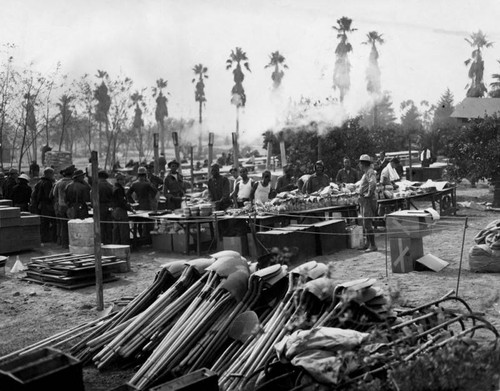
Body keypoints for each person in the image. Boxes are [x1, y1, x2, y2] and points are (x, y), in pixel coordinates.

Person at [126, 166, 159, 243]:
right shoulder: (147, 184)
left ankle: (139, 238)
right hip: (147, 205)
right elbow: (155, 193)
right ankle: (148, 239)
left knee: (138, 224)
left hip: (138, 205)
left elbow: (128, 195)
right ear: (145, 175)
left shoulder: (134, 184)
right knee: (149, 224)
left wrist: (133, 203)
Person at [357, 154, 378, 252]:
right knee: (365, 223)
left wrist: (369, 193)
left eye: (360, 163)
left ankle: (373, 245)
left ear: (363, 164)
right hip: (364, 200)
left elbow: (373, 183)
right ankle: (367, 243)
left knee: (367, 223)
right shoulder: (366, 173)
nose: (359, 166)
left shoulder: (370, 172)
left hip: (368, 200)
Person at [51, 166, 74, 248]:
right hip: (70, 207)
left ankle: (63, 243)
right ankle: (71, 243)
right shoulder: (72, 183)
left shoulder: (59, 183)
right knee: (72, 225)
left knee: (63, 225)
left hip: (61, 206)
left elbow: (54, 194)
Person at [33, 167, 56, 243]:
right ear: (48, 174)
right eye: (52, 173)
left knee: (43, 222)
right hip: (47, 205)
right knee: (50, 222)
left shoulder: (39, 182)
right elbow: (48, 196)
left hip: (41, 205)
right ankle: (48, 238)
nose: (53, 175)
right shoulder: (47, 183)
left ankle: (44, 238)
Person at [112, 173, 134, 245]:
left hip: (114, 211)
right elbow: (122, 202)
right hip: (120, 211)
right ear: (118, 180)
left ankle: (116, 246)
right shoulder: (119, 189)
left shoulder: (114, 187)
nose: (123, 181)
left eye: (123, 179)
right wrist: (130, 209)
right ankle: (124, 247)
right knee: (123, 231)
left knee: (116, 231)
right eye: (122, 180)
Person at [95, 170, 114, 245]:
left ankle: (102, 241)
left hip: (99, 207)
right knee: (109, 225)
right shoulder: (110, 186)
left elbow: (92, 197)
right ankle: (109, 241)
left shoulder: (96, 186)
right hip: (109, 206)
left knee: (100, 225)